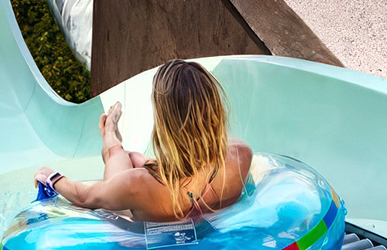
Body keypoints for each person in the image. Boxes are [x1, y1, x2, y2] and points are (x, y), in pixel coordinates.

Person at [34, 60, 253, 222]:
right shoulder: (241, 154)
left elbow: (84, 197)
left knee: (121, 156)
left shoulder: (134, 184)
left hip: (145, 218)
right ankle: (117, 139)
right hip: (183, 195)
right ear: (215, 109)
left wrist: (50, 176)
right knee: (138, 160)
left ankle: (109, 132)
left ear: (165, 123)